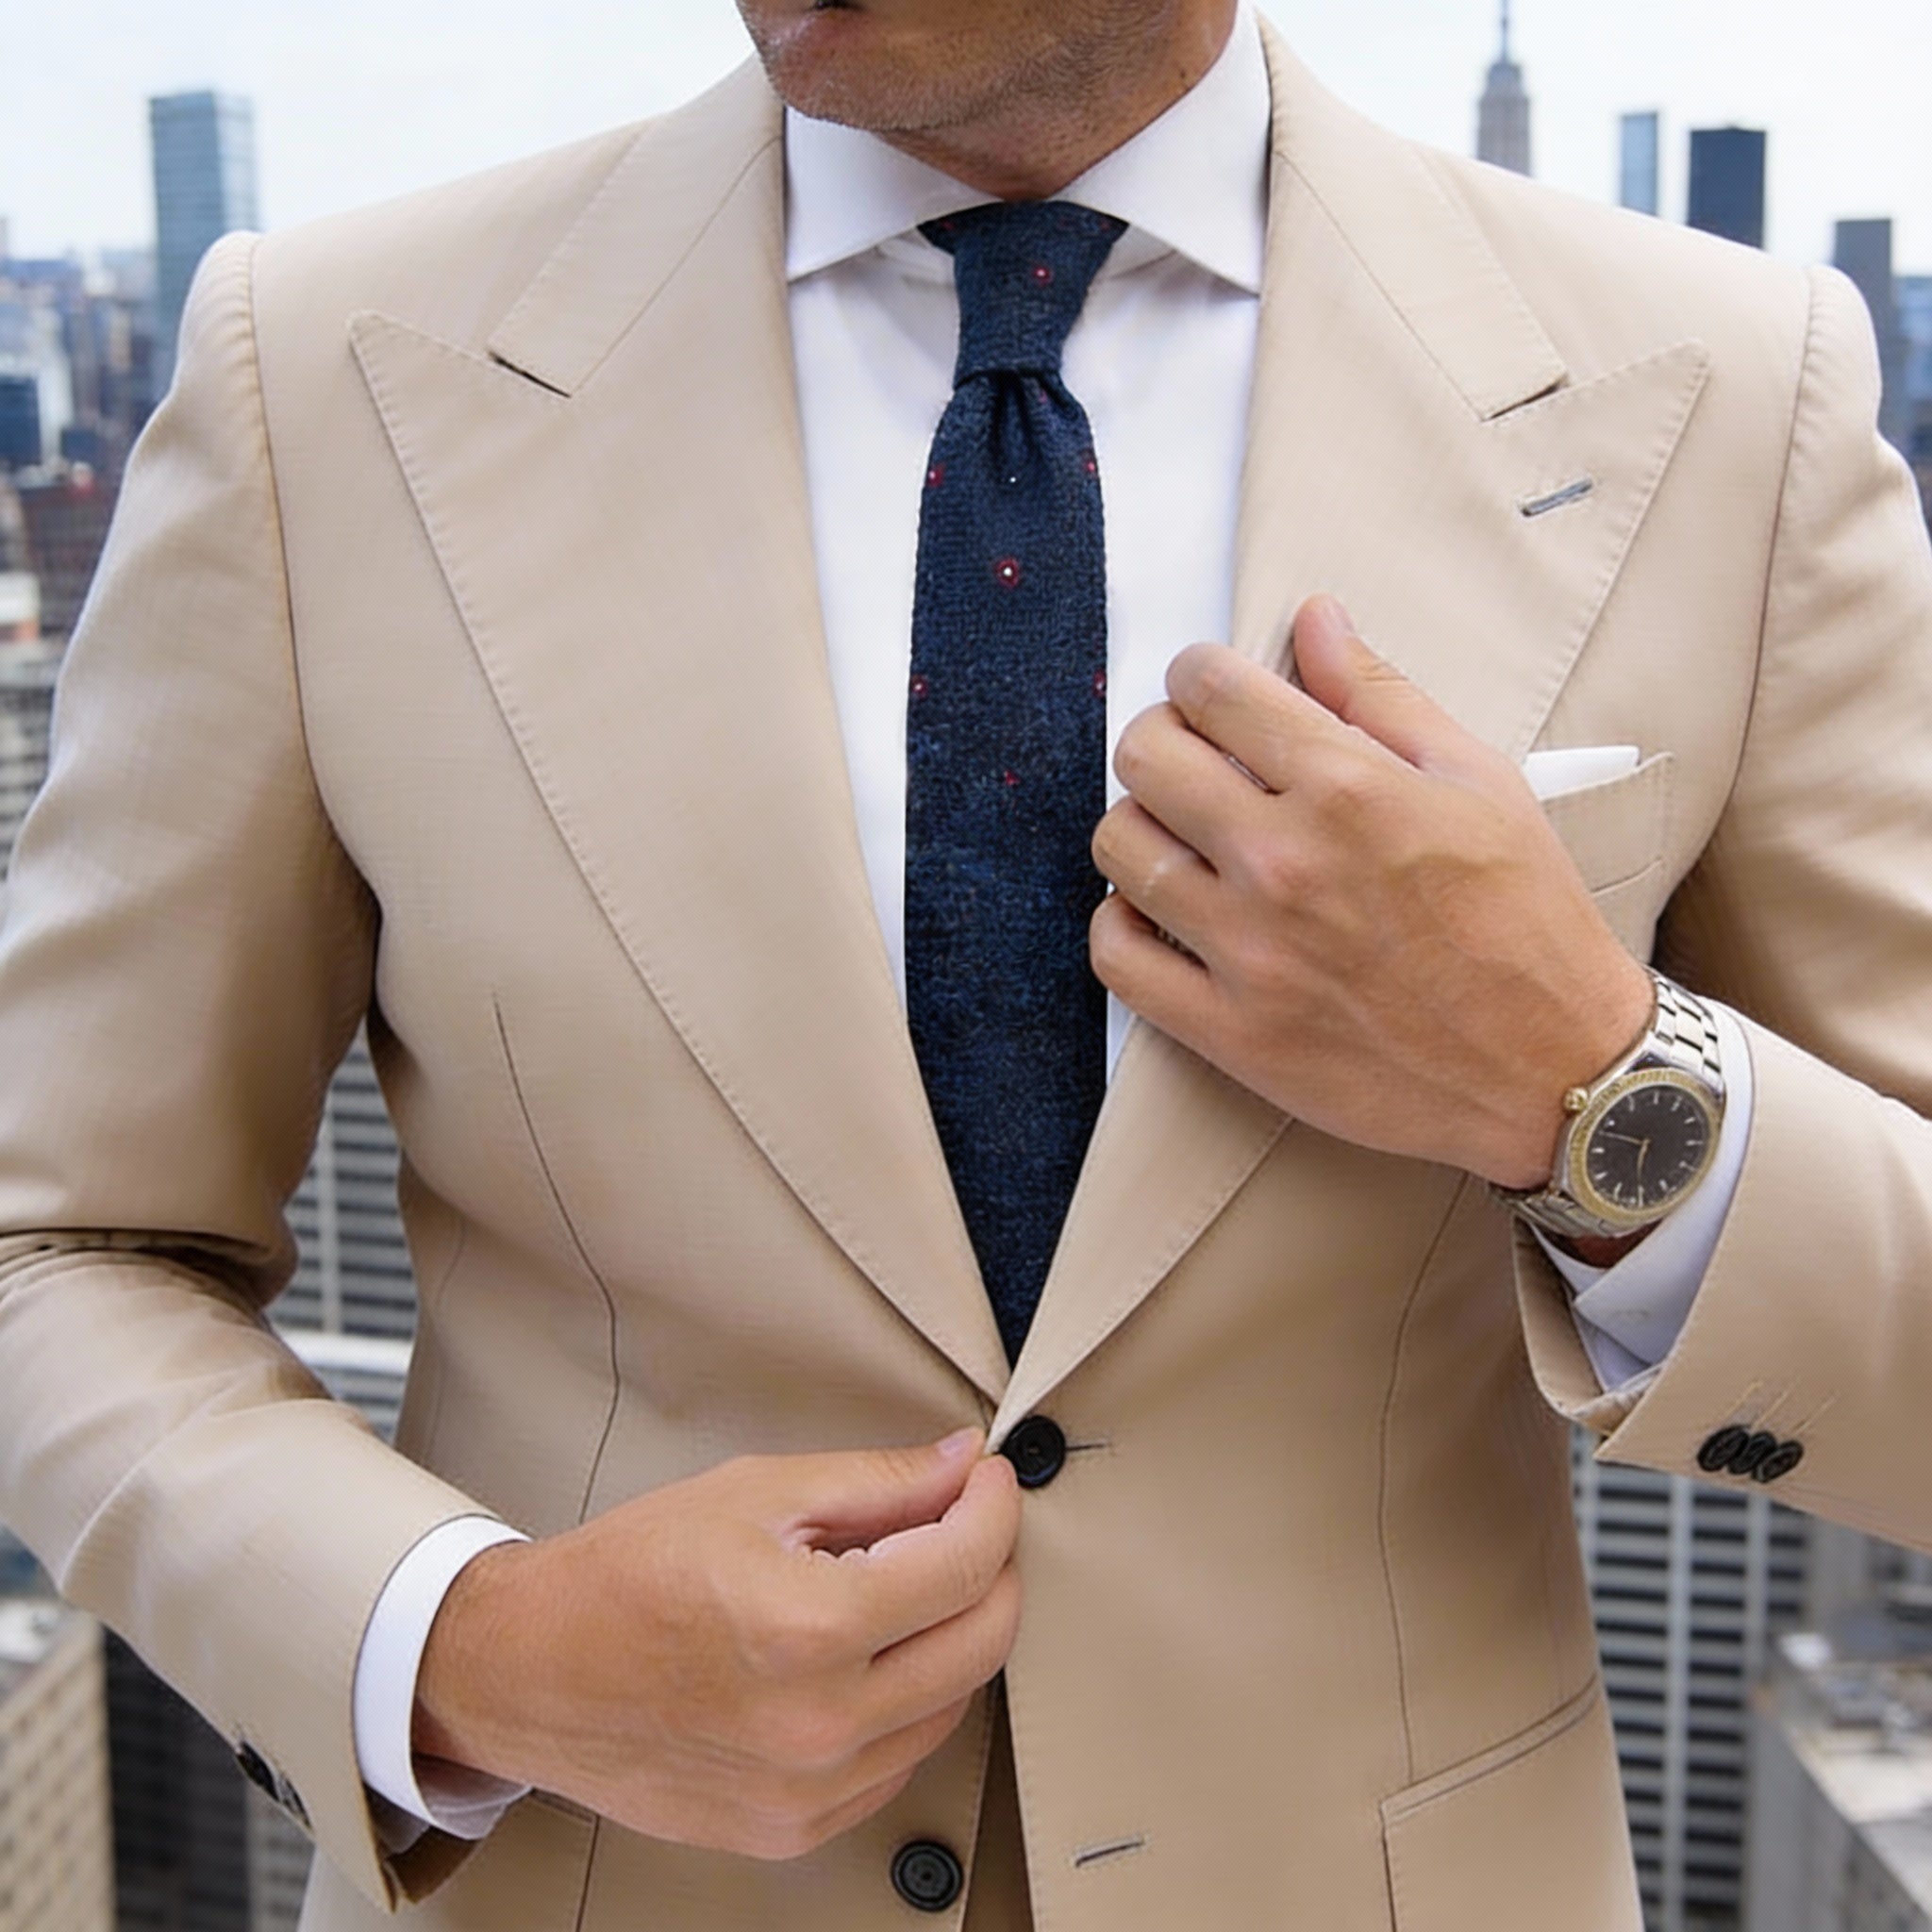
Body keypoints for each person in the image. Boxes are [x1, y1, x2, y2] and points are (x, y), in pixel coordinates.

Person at [0, 0, 1928, 1925]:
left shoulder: (1729, 395)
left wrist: (1590, 1083)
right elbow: (56, 1242)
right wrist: (468, 1649)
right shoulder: (318, 373)